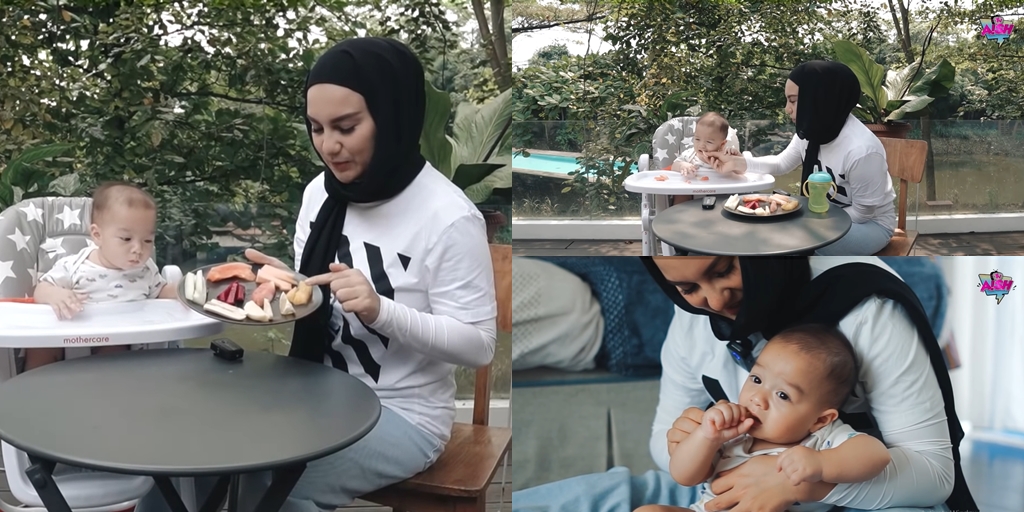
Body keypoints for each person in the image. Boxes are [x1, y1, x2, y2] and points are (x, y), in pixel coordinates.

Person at [135, 37, 497, 511]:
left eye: (346, 126)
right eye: (317, 127)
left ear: (392, 117)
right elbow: (317, 294)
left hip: (402, 414)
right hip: (313, 390)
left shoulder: (449, 217)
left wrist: (379, 310)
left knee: (265, 489)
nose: (329, 145)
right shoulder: (321, 194)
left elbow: (479, 345)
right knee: (183, 470)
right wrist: (288, 281)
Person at [511, 256, 977, 512]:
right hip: (715, 495)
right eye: (687, 288)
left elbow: (933, 475)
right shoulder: (693, 314)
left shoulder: (866, 312)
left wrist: (802, 482)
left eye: (721, 270)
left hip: (860, 499)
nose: (712, 301)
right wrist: (694, 439)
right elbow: (668, 454)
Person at [637, 324, 891, 512]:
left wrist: (822, 464)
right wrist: (706, 436)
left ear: (820, 420)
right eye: (756, 379)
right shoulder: (731, 430)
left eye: (782, 394)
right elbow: (684, 476)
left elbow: (876, 455)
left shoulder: (820, 439)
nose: (758, 398)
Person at [704, 61, 897, 256]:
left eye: (793, 100)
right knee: (769, 228)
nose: (787, 108)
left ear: (819, 98)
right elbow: (781, 163)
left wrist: (808, 218)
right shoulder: (812, 131)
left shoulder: (862, 150)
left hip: (869, 226)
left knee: (787, 235)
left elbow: (863, 213)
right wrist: (739, 163)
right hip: (824, 215)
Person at [26, 182, 177, 370]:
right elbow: (41, 289)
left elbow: (161, 291)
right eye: (126, 239)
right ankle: (33, 390)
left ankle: (105, 392)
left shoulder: (146, 270)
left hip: (116, 341)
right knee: (39, 345)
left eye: (147, 240)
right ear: (97, 235)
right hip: (69, 341)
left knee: (115, 348)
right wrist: (56, 295)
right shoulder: (74, 266)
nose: (138, 249)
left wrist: (185, 290)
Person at [669, 112, 740, 205]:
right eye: (697, 139)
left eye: (709, 142)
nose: (701, 145)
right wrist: (682, 165)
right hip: (691, 201)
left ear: (722, 144)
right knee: (681, 193)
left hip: (718, 199)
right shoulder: (690, 155)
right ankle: (677, 215)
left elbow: (741, 174)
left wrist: (736, 159)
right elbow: (673, 166)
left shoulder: (725, 158)